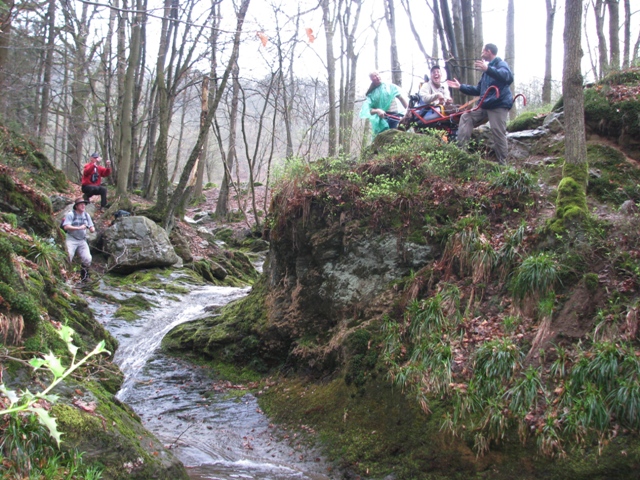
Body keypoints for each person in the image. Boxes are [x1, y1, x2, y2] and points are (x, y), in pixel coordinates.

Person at [447, 43, 514, 164]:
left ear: (489, 51)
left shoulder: (500, 64)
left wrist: (488, 69)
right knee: (466, 116)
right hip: (485, 105)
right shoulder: (486, 72)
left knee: (497, 131)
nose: (481, 53)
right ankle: (460, 153)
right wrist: (460, 86)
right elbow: (478, 90)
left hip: (498, 104)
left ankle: (503, 165)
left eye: (483, 51)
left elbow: (508, 77)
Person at [360, 70, 408, 138]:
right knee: (385, 139)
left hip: (395, 116)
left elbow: (401, 98)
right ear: (371, 79)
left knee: (397, 136)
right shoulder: (371, 94)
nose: (377, 77)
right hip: (382, 120)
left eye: (377, 75)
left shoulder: (390, 87)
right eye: (374, 76)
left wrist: (409, 111)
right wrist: (377, 110)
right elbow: (368, 110)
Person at [62, 197, 95, 284]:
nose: (83, 205)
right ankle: (64, 276)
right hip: (71, 239)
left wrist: (92, 229)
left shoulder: (86, 215)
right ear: (76, 206)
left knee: (88, 258)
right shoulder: (71, 214)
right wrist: (78, 228)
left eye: (84, 204)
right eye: (81, 204)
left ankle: (84, 277)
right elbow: (66, 226)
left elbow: (92, 226)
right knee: (68, 256)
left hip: (82, 240)